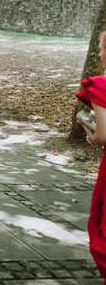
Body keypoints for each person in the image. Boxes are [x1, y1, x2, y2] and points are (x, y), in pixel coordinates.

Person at [77, 30, 106, 280]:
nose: (99, 53)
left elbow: (103, 136)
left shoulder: (102, 86)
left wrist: (88, 130)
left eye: (101, 48)